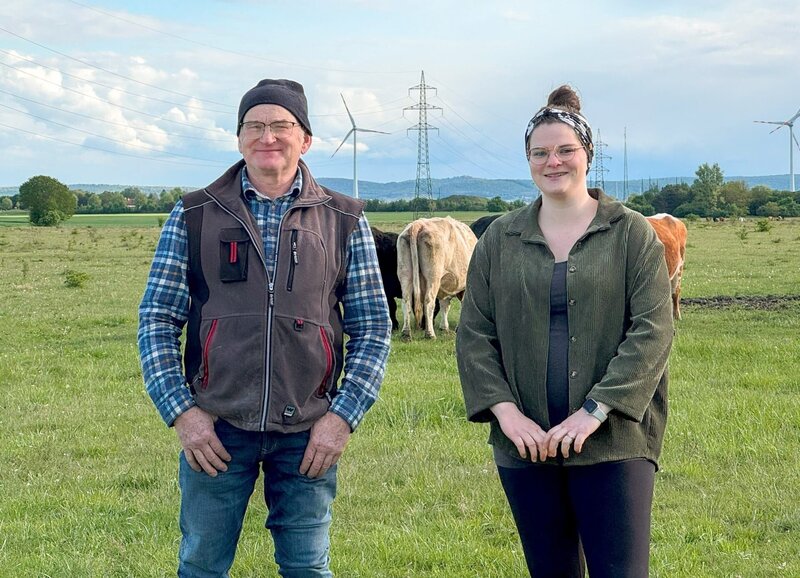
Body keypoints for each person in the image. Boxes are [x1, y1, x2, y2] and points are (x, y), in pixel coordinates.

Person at [138, 78, 392, 577]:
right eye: (254, 126)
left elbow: (373, 329)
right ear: (238, 138)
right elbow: (156, 319)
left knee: (307, 568)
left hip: (308, 433)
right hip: (216, 429)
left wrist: (341, 419)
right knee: (201, 565)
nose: (267, 136)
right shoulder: (194, 214)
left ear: (306, 138)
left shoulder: (344, 219)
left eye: (281, 125)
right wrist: (183, 414)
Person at [456, 85, 674, 578]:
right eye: (540, 153)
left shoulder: (631, 233)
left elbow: (653, 331)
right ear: (528, 159)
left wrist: (594, 412)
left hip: (614, 440)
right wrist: (507, 416)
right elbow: (474, 335)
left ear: (588, 155)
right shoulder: (500, 238)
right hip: (525, 444)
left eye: (565, 150)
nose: (553, 162)